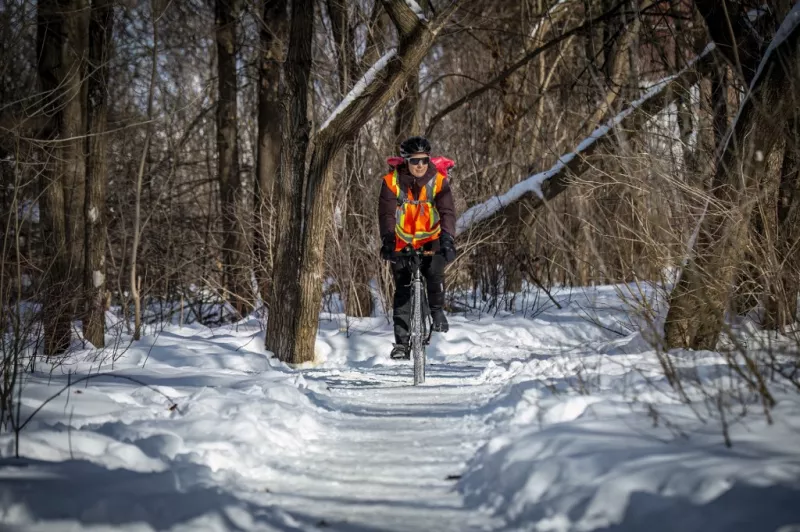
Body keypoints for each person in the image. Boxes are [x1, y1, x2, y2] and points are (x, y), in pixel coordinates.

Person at [378, 136, 457, 360]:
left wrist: (448, 239)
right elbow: (386, 214)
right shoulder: (391, 182)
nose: (420, 165)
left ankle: (437, 312)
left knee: (434, 272)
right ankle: (402, 343)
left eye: (424, 160)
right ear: (406, 161)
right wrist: (388, 241)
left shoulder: (439, 181)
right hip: (401, 240)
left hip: (431, 237)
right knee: (403, 289)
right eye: (414, 161)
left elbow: (447, 211)